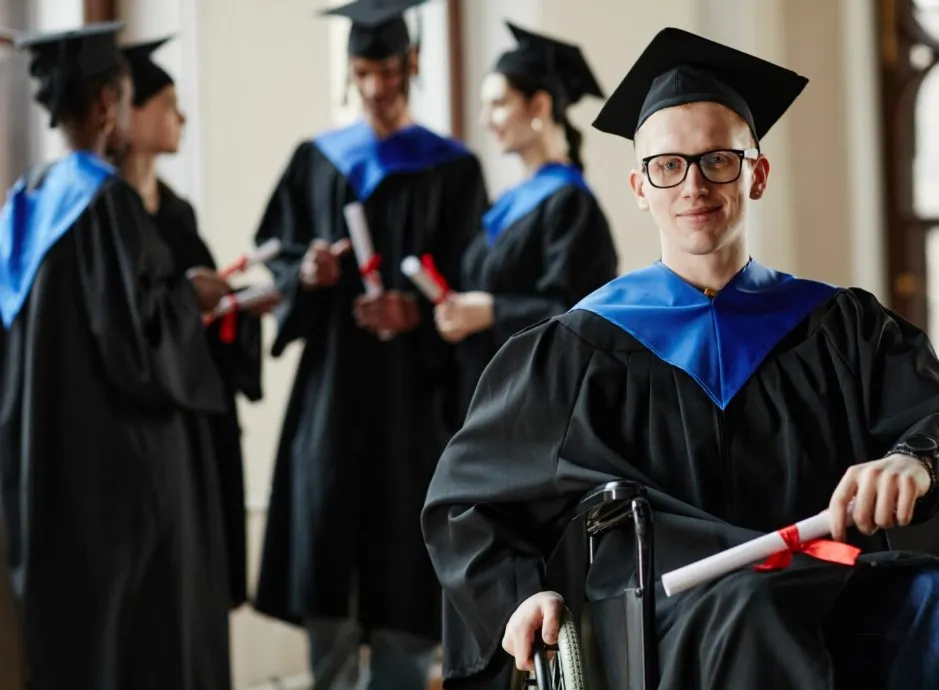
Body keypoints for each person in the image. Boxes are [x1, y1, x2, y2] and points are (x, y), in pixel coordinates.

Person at [422, 27, 939, 689]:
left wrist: (913, 463)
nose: (694, 185)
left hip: (829, 578)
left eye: (719, 159)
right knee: (758, 608)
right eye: (668, 165)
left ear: (757, 174)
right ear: (639, 186)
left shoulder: (839, 328)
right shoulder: (578, 349)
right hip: (662, 612)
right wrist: (520, 594)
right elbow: (467, 503)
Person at [251, 0, 488, 688]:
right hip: (331, 396)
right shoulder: (318, 161)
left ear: (412, 65)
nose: (379, 87)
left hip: (411, 407)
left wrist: (414, 311)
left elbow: (475, 281)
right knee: (328, 574)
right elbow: (274, 257)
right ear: (350, 73)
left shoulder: (453, 170)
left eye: (390, 71)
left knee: (404, 587)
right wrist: (306, 272)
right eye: (364, 72)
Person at [0, 22, 233, 689]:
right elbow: (142, 345)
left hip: (45, 472)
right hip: (123, 487)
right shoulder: (106, 204)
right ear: (105, 106)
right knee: (141, 646)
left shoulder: (26, 200)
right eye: (127, 100)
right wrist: (192, 299)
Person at [119, 35, 276, 610]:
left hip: (202, 423)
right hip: (146, 431)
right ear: (127, 108)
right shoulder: (107, 214)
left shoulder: (178, 210)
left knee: (200, 588)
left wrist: (235, 306)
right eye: (167, 103)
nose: (180, 116)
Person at [434, 22, 618, 413]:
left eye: (498, 104)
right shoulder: (509, 203)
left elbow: (578, 316)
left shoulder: (570, 205)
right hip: (486, 400)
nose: (486, 120)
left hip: (536, 408)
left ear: (539, 107)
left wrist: (491, 312)